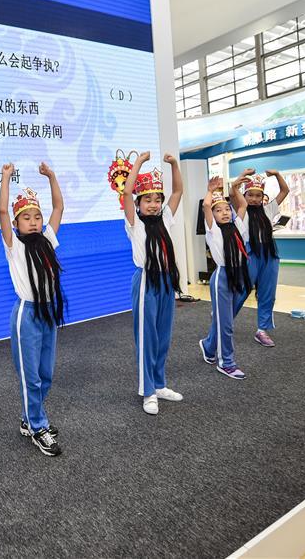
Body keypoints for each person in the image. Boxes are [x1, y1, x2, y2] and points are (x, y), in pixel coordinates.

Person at [0, 162, 65, 457]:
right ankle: (38, 427)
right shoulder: (14, 246)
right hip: (26, 314)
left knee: (46, 373)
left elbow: (58, 207)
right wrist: (5, 178)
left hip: (48, 312)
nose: (34, 222)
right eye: (26, 218)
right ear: (17, 223)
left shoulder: (47, 241)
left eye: (37, 217)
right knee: (31, 377)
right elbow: (2, 211)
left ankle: (29, 418)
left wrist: (52, 176)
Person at [115, 150, 183, 415]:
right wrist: (139, 163)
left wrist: (174, 164)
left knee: (163, 335)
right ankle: (148, 391)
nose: (153, 205)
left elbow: (178, 191)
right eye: (147, 200)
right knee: (147, 337)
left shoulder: (165, 218)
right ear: (139, 203)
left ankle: (159, 383)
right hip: (146, 281)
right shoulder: (135, 223)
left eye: (157, 200)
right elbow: (126, 192)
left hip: (166, 281)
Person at [198, 177, 251, 380]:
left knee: (224, 321)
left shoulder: (237, 225)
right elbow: (206, 205)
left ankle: (208, 345)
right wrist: (210, 190)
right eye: (218, 210)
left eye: (227, 209)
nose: (225, 213)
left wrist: (235, 187)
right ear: (212, 215)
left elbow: (243, 205)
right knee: (226, 325)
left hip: (240, 276)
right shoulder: (213, 230)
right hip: (222, 277)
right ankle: (226, 363)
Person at [230, 169, 289, 347]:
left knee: (268, 293)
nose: (254, 199)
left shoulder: (269, 209)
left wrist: (277, 174)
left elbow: (285, 191)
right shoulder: (241, 209)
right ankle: (224, 320)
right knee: (241, 290)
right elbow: (233, 191)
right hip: (250, 254)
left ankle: (262, 330)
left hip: (269, 254)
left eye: (258, 195)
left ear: (263, 196)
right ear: (244, 196)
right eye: (250, 195)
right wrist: (242, 175)